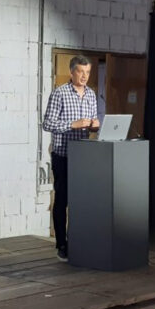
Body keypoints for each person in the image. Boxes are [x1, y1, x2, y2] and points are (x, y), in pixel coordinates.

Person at [42, 56, 105, 262]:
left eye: (88, 72)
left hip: (84, 156)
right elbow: (47, 123)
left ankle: (77, 241)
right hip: (63, 155)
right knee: (62, 200)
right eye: (80, 72)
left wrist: (95, 126)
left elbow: (92, 123)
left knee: (81, 202)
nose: (84, 76)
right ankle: (61, 244)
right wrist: (72, 124)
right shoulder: (59, 93)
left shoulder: (91, 94)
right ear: (72, 72)